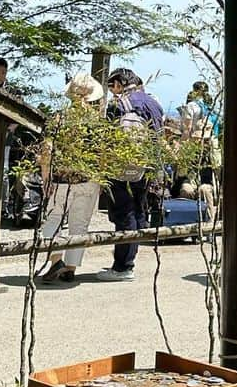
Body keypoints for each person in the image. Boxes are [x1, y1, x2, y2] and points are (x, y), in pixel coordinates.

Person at [36, 74, 106, 285]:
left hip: (61, 179)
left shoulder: (59, 118)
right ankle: (70, 269)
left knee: (53, 219)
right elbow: (103, 155)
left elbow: (47, 150)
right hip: (88, 179)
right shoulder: (98, 123)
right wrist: (101, 180)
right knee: (79, 225)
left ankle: (55, 258)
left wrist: (46, 176)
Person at [99, 68, 164, 282]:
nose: (112, 92)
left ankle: (122, 267)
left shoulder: (120, 104)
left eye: (112, 87)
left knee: (124, 213)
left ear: (119, 84)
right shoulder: (154, 103)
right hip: (147, 166)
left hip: (122, 166)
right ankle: (128, 263)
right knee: (137, 212)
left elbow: (108, 138)